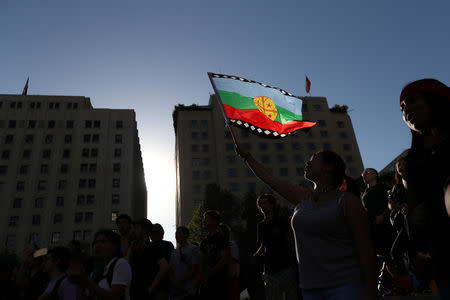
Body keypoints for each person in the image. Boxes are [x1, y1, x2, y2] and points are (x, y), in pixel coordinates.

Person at [236, 147, 377, 300]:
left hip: (345, 286)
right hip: (310, 289)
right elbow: (271, 179)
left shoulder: (347, 202)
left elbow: (365, 250)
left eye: (313, 158)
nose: (307, 162)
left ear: (328, 167)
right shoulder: (303, 198)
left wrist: (371, 292)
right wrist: (247, 157)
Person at [398, 78, 450, 298]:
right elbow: (416, 209)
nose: (406, 109)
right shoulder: (412, 162)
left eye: (412, 101)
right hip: (442, 256)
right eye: (402, 107)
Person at [253, 193, 298, 300]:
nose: (263, 206)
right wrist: (255, 256)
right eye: (261, 204)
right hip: (270, 270)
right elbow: (264, 245)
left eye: (265, 203)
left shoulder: (282, 221)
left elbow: (290, 240)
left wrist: (294, 263)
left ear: (272, 205)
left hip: (285, 266)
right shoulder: (261, 225)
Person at [68, 229, 132, 300]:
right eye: (95, 242)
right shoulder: (94, 271)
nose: (97, 245)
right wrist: (80, 283)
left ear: (114, 246)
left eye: (103, 242)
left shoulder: (120, 264)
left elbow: (115, 297)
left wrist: (87, 281)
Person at [128, 218, 170, 300]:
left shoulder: (152, 247)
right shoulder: (133, 248)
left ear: (144, 230)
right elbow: (126, 264)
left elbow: (164, 267)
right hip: (135, 292)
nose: (133, 231)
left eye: (136, 228)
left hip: (149, 294)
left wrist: (150, 289)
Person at [361, 168, 395, 260]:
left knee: (395, 253)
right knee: (385, 257)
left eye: (367, 172)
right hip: (376, 230)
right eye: (363, 173)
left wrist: (383, 215)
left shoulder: (384, 188)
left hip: (390, 225)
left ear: (375, 175)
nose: (364, 174)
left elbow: (393, 203)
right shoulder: (364, 195)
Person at [198, 210, 229, 300]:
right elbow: (200, 260)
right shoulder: (204, 242)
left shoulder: (221, 238)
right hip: (205, 282)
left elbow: (223, 260)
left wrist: (208, 274)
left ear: (214, 221)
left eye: (206, 219)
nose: (203, 221)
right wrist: (202, 276)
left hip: (219, 281)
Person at [169, 226, 200, 300]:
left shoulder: (193, 249)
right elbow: (170, 270)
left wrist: (181, 281)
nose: (176, 235)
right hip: (176, 292)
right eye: (176, 233)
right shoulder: (174, 252)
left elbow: (194, 269)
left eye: (179, 233)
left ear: (186, 235)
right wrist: (174, 282)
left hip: (189, 290)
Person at [218, 223, 240, 300]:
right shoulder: (215, 246)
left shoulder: (232, 245)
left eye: (219, 232)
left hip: (230, 277)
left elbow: (233, 260)